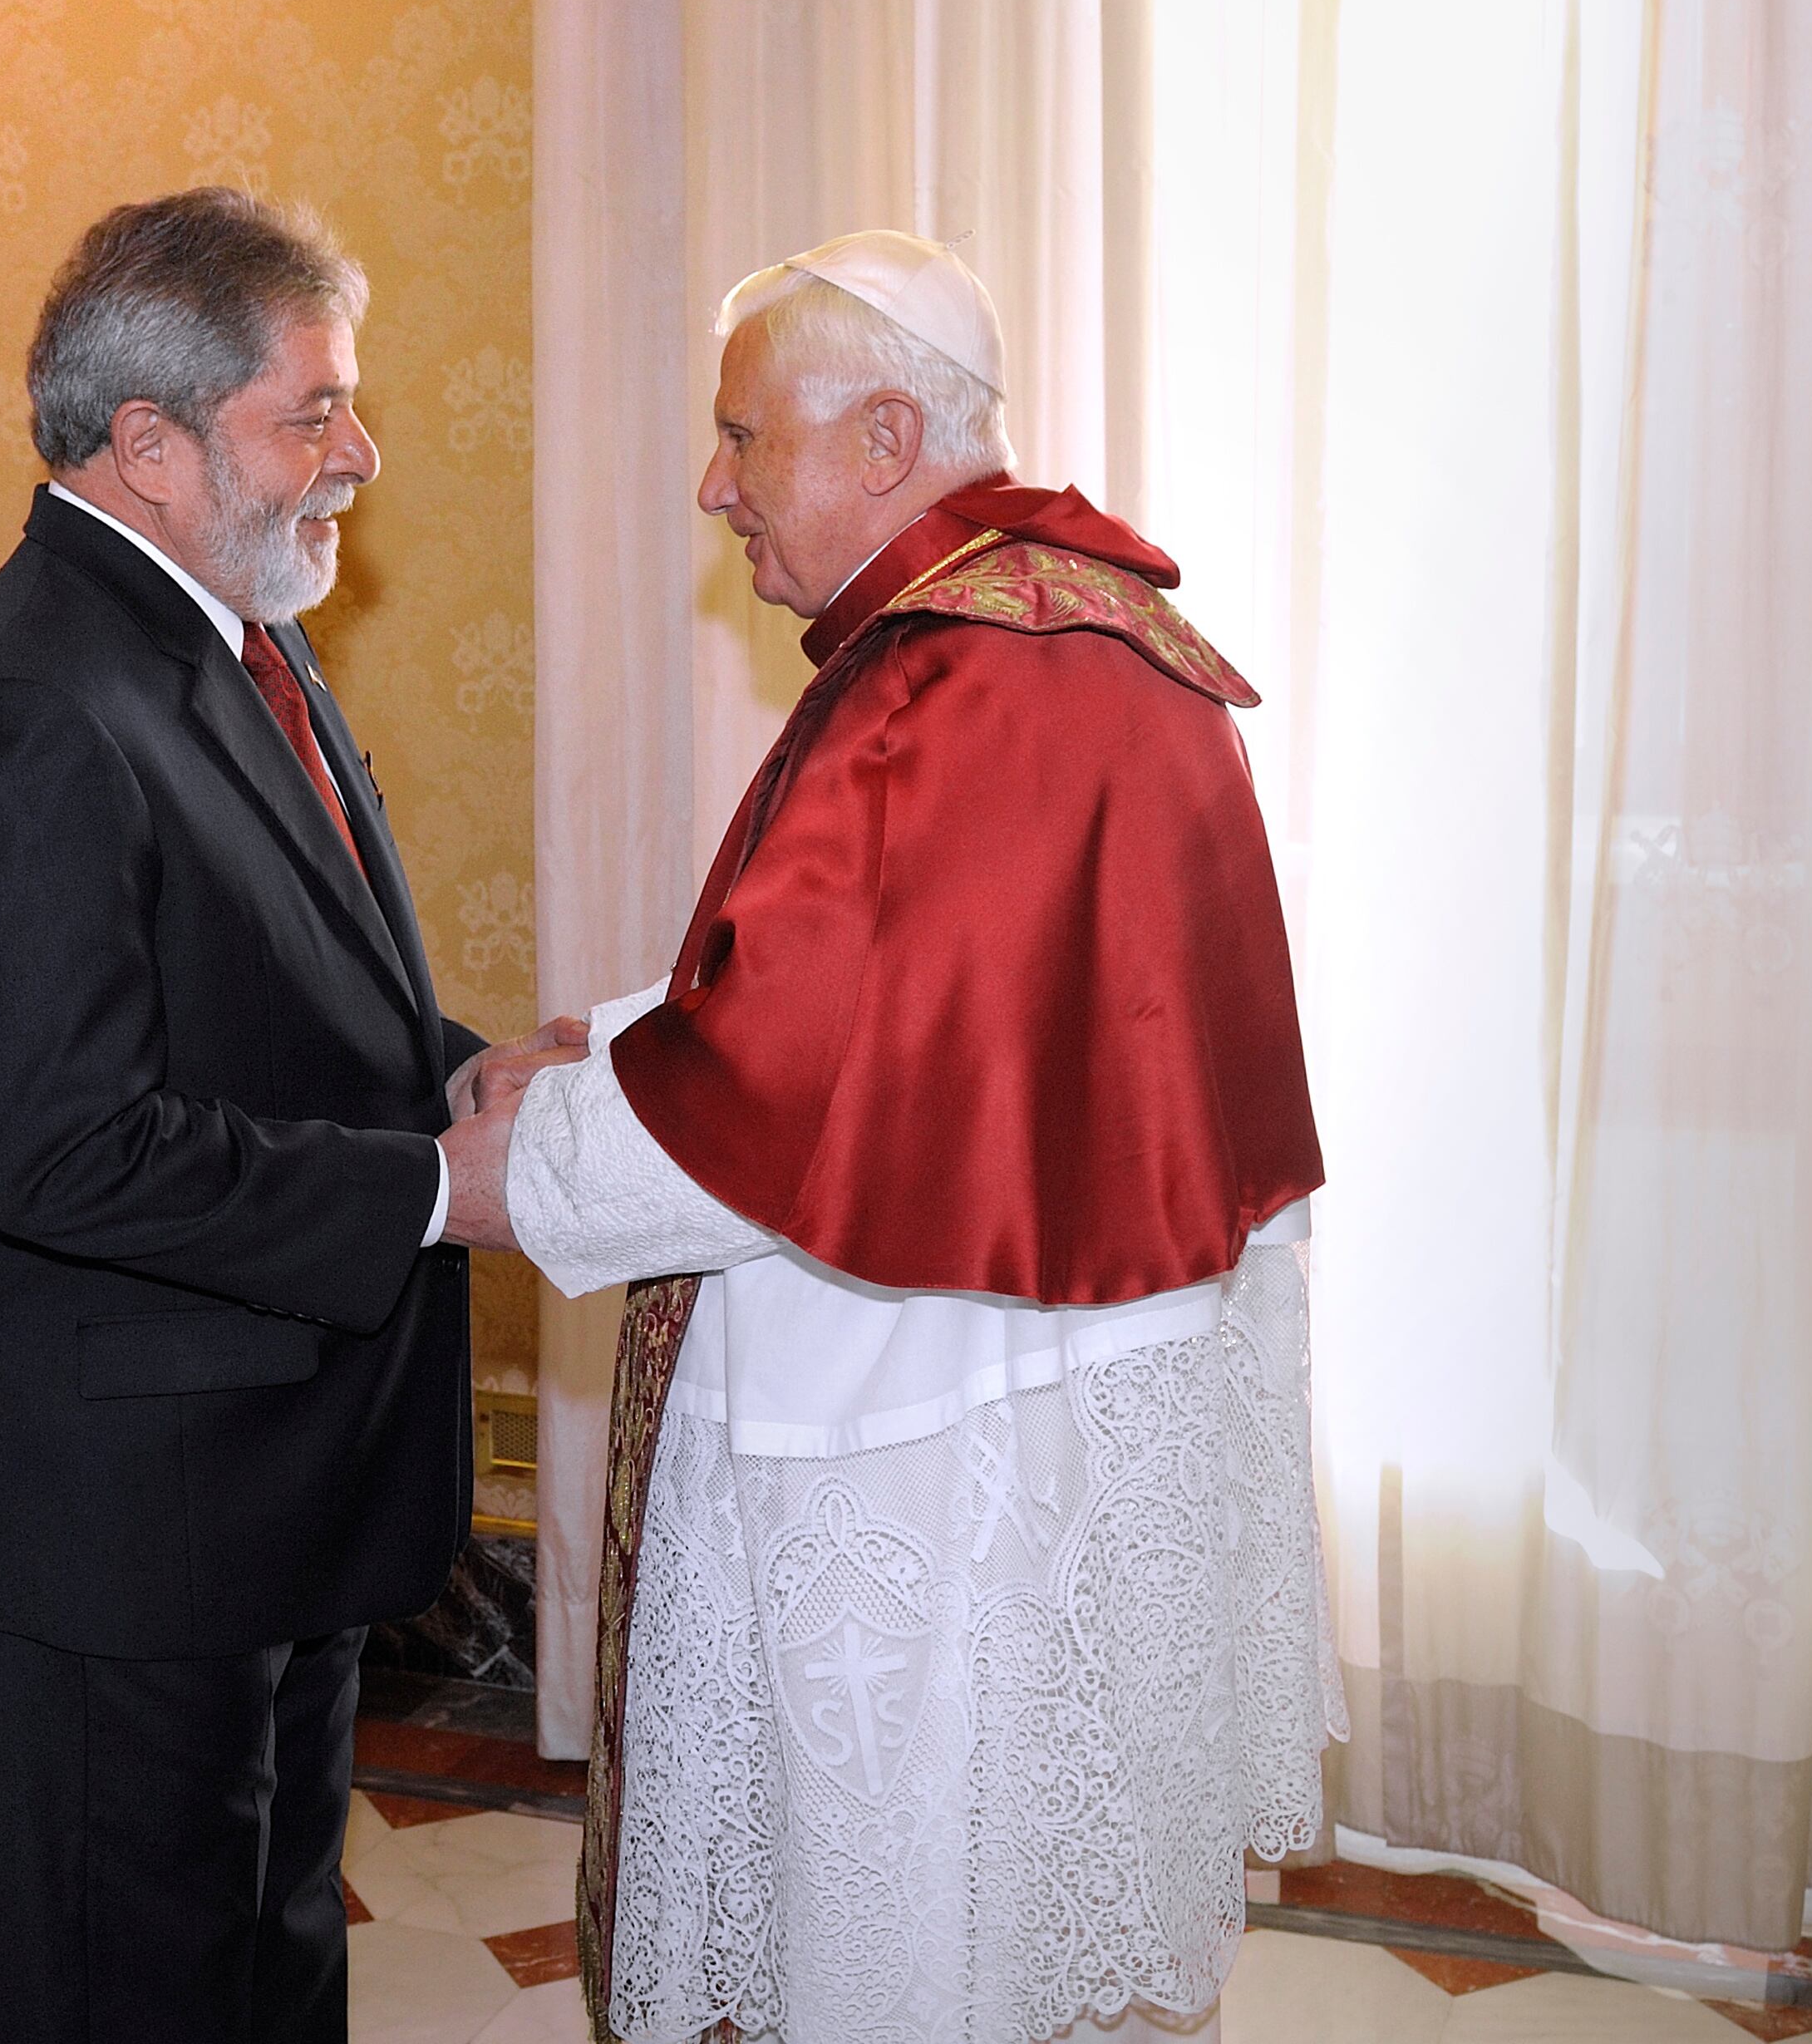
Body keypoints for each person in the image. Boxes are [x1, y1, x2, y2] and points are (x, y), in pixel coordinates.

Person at [459, 231, 1340, 2044]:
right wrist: (627, 1040)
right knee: (1017, 1908)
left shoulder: (945, 682)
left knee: (902, 1913)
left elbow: (784, 1096)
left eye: (739, 437)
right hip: (1069, 1380)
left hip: (909, 1433)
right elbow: (925, 1000)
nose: (714, 484)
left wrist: (500, 1169)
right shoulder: (1098, 625)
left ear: (876, 440)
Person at [0, 190, 580, 2042]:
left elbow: (256, 995)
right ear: (146, 445)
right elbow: (69, 1147)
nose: (360, 453)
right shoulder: (28, 711)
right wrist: (439, 1189)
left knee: (259, 1976)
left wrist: (456, 1072)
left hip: (255, 1486)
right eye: (312, 411)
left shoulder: (227, 635)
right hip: (123, 1525)